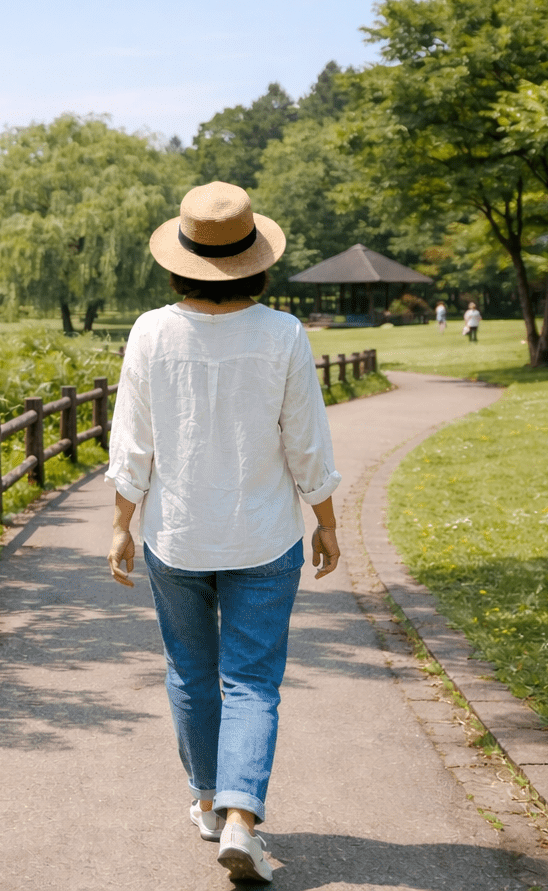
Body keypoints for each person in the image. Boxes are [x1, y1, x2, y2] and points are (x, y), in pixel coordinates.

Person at [106, 181, 342, 884]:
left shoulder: (151, 331)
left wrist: (122, 524)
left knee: (190, 671)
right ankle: (241, 816)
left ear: (181, 258)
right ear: (255, 259)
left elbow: (134, 443)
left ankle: (210, 801)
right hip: (265, 537)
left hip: (175, 535)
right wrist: (326, 519)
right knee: (252, 680)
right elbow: (306, 443)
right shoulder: (284, 334)